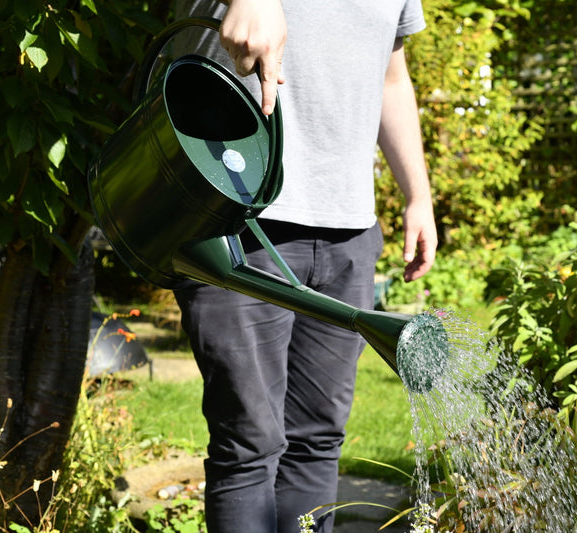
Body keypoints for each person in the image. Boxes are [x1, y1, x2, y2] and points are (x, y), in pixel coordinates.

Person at [171, 0, 437, 531]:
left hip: (349, 231)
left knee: (318, 441)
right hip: (239, 221)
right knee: (248, 446)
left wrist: (418, 196)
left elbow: (390, 77)